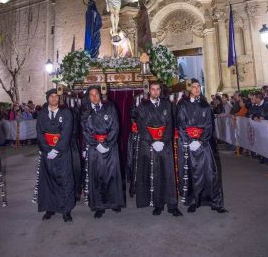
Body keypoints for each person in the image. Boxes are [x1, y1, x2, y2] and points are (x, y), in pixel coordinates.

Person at [176, 79, 227, 213]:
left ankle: (215, 202)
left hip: (203, 144)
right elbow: (180, 124)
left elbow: (209, 125)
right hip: (188, 144)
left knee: (210, 171)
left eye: (198, 86)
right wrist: (189, 141)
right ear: (189, 89)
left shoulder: (205, 105)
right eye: (194, 87)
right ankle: (194, 201)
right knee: (193, 173)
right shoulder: (182, 105)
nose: (197, 89)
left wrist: (200, 141)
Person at [135, 82, 182, 216]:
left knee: (169, 174)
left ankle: (172, 205)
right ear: (149, 91)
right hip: (151, 145)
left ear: (161, 91)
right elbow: (141, 126)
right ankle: (158, 204)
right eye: (153, 90)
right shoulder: (143, 106)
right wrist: (152, 142)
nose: (155, 92)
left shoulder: (167, 105)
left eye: (157, 89)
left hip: (165, 144)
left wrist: (163, 140)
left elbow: (170, 124)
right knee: (155, 174)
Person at [81, 85, 124, 218]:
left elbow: (115, 126)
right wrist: (96, 145)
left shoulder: (109, 107)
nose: (94, 97)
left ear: (100, 95)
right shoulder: (85, 111)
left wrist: (107, 143)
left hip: (110, 146)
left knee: (112, 174)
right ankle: (99, 206)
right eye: (91, 95)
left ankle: (114, 203)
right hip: (94, 148)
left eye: (96, 94)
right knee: (97, 176)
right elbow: (85, 130)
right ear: (88, 97)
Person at [36, 89, 75, 222]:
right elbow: (40, 134)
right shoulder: (42, 114)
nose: (53, 98)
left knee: (64, 181)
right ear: (47, 98)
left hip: (62, 153)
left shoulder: (66, 113)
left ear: (59, 99)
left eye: (56, 96)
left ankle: (66, 210)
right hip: (47, 153)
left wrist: (56, 150)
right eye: (51, 96)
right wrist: (47, 150)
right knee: (48, 180)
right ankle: (49, 208)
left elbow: (66, 133)